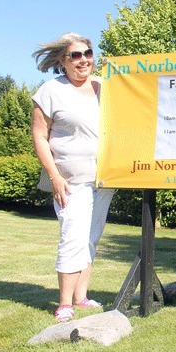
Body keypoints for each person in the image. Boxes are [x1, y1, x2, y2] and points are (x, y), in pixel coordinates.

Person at [31, 33, 115, 322]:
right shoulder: (51, 90)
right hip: (69, 179)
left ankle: (81, 297)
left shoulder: (104, 86)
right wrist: (54, 176)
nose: (84, 60)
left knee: (91, 237)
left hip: (103, 177)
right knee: (73, 237)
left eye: (87, 53)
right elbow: (40, 137)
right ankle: (64, 303)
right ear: (62, 61)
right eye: (75, 55)